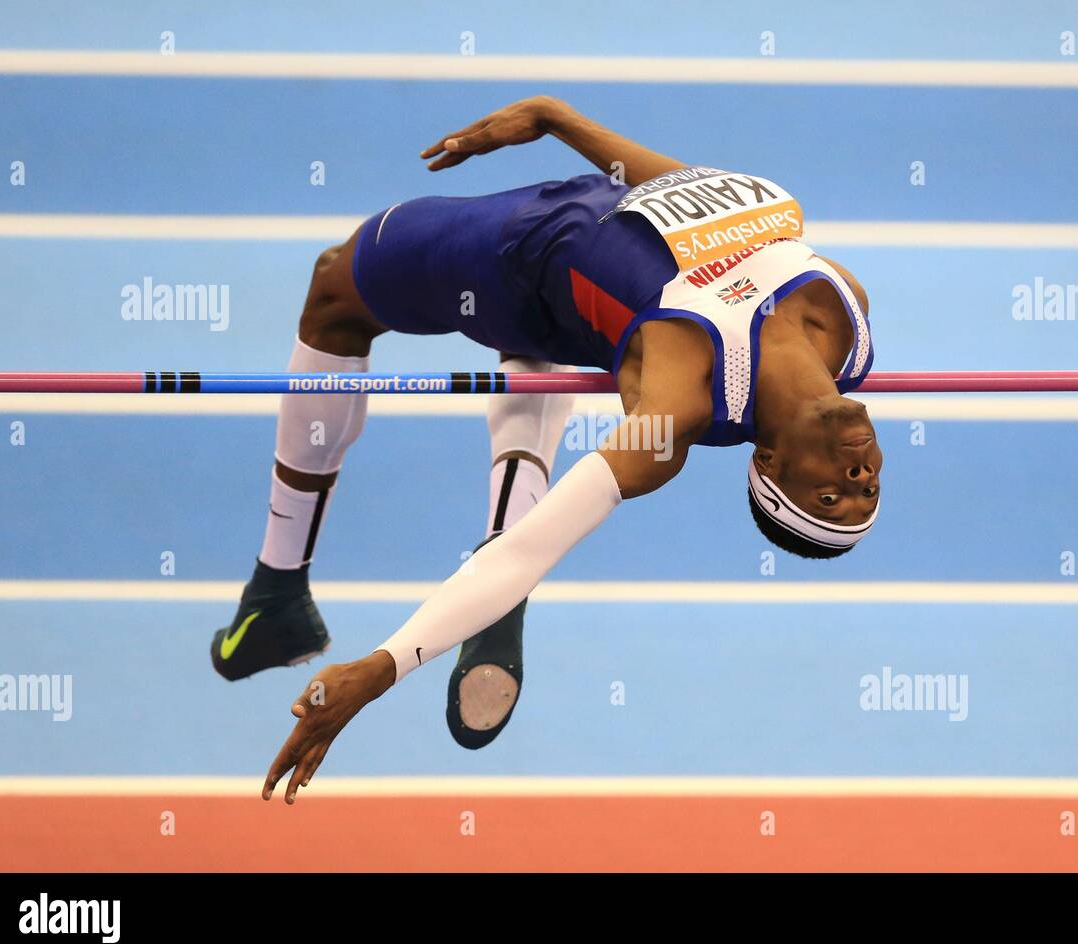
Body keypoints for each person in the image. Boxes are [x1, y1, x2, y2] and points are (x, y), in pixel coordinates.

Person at [212, 95, 882, 802]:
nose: (858, 474)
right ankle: (454, 583)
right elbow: (697, 204)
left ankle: (279, 590)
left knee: (334, 285)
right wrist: (555, 120)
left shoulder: (680, 405)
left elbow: (534, 547)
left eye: (831, 496)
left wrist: (380, 668)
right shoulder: (850, 314)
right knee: (535, 350)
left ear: (768, 464)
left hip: (525, 256)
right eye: (867, 491)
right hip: (602, 225)